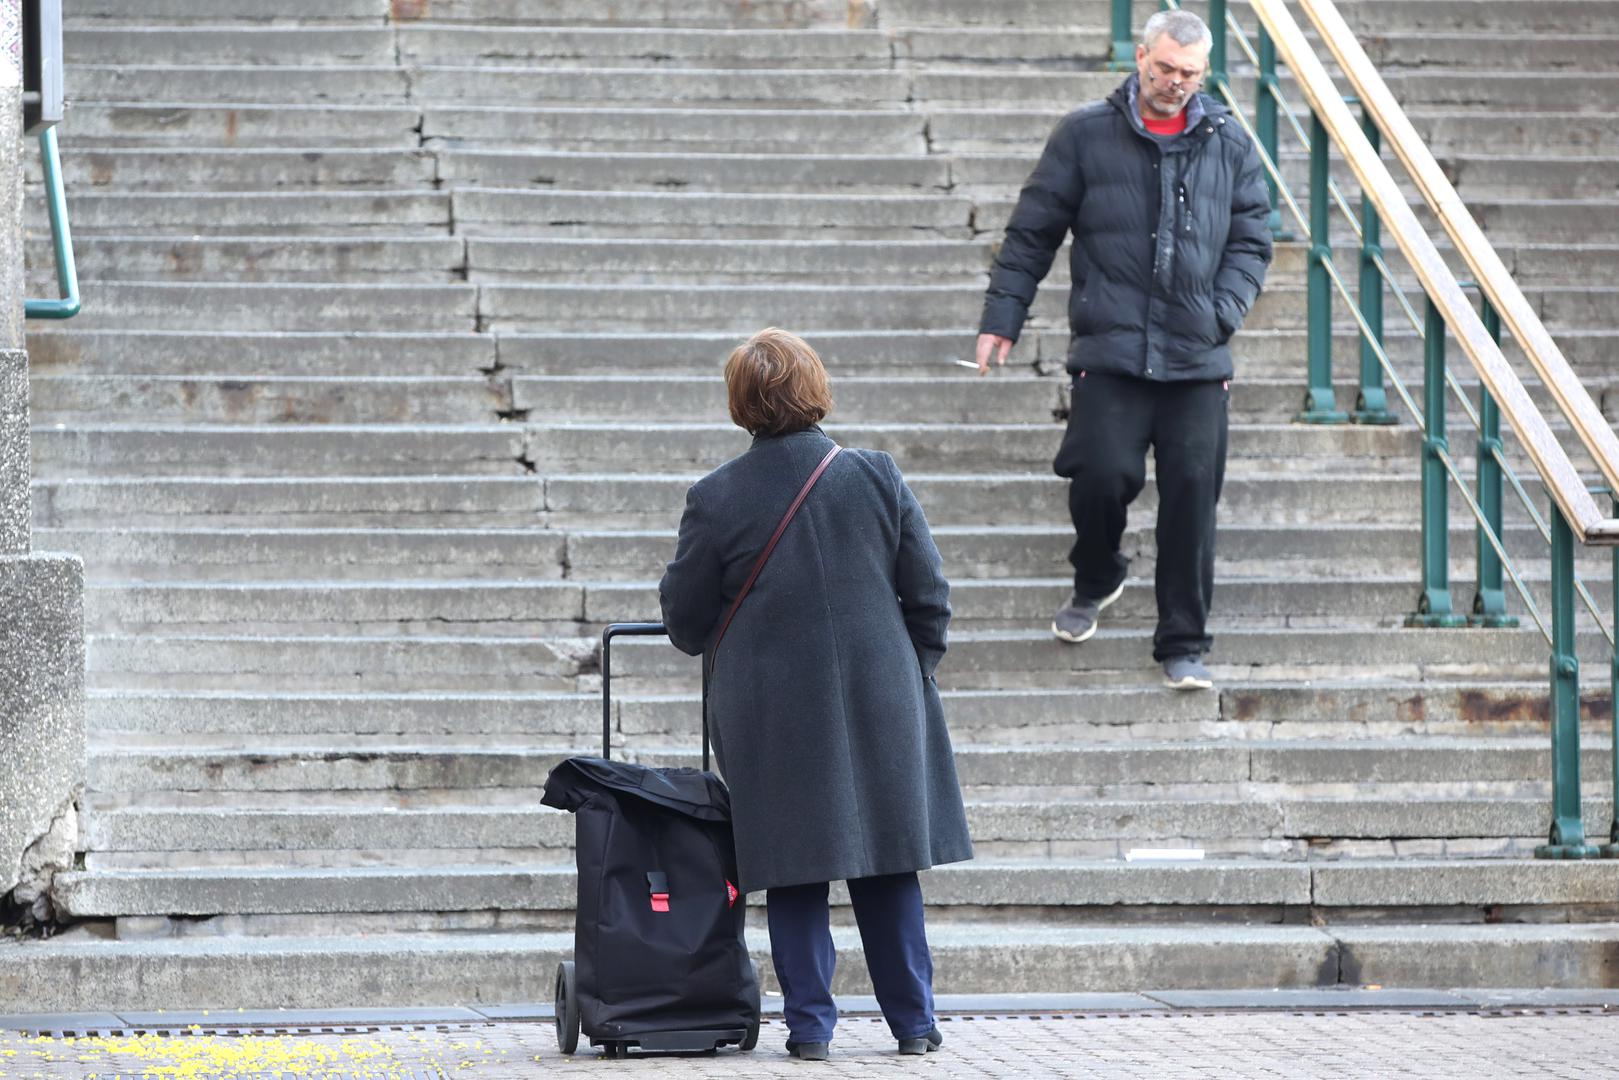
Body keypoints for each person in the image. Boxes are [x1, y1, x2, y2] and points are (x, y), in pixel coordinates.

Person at [659, 327, 973, 1061]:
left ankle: (809, 1028)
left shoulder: (715, 496)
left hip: (772, 710)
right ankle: (914, 1023)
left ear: (741, 404)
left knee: (791, 867)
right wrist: (907, 669)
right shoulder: (875, 475)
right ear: (815, 388)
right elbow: (929, 594)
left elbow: (684, 622)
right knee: (890, 861)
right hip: (882, 696)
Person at [975, 9, 1273, 691]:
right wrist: (1002, 317)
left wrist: (1221, 312)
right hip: (1109, 350)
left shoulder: (1227, 139)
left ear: (1204, 74)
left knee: (1192, 498)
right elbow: (1031, 232)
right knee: (1099, 476)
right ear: (1140, 58)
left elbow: (1253, 237)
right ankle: (1098, 573)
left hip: (1197, 358)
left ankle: (1182, 643)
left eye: (1188, 74)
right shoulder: (1084, 134)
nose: (1174, 83)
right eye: (1164, 68)